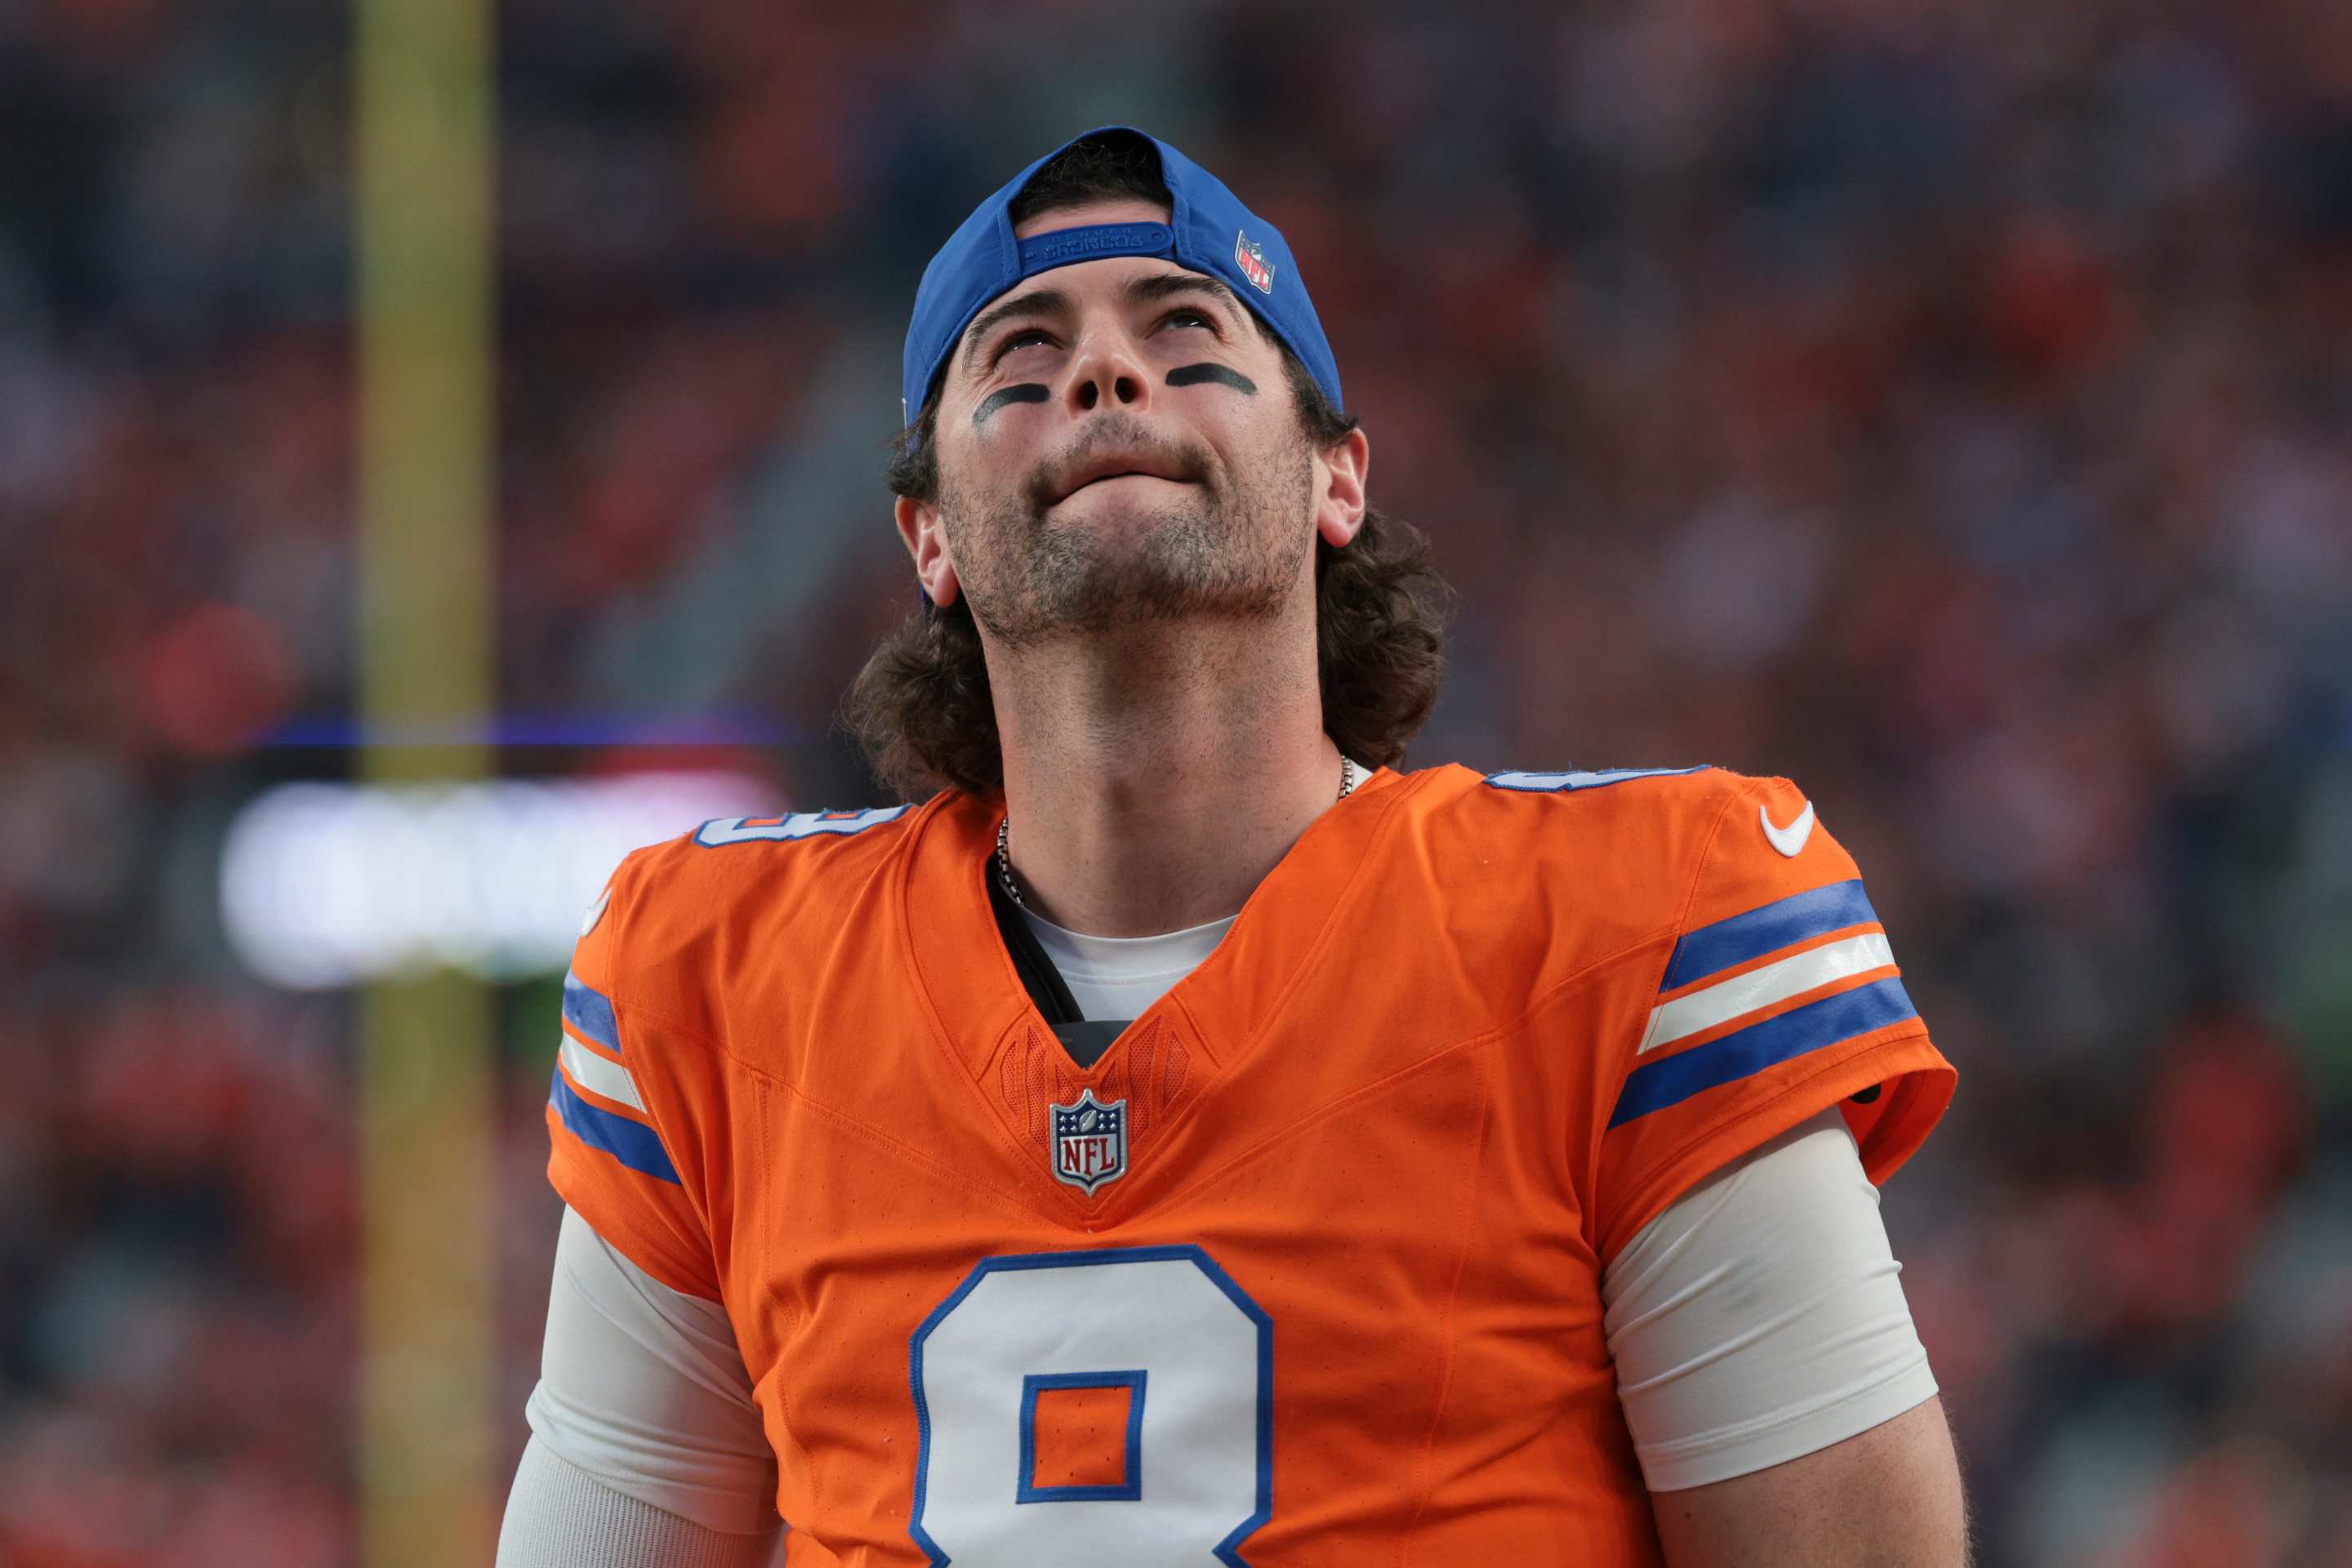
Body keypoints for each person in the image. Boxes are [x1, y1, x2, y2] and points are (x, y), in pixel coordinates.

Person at [497, 127, 1969, 1566]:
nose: (1104, 370)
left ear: (1339, 478)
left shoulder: (1638, 925)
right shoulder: (717, 973)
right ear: (927, 537)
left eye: (1189, 335)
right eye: (1019, 362)